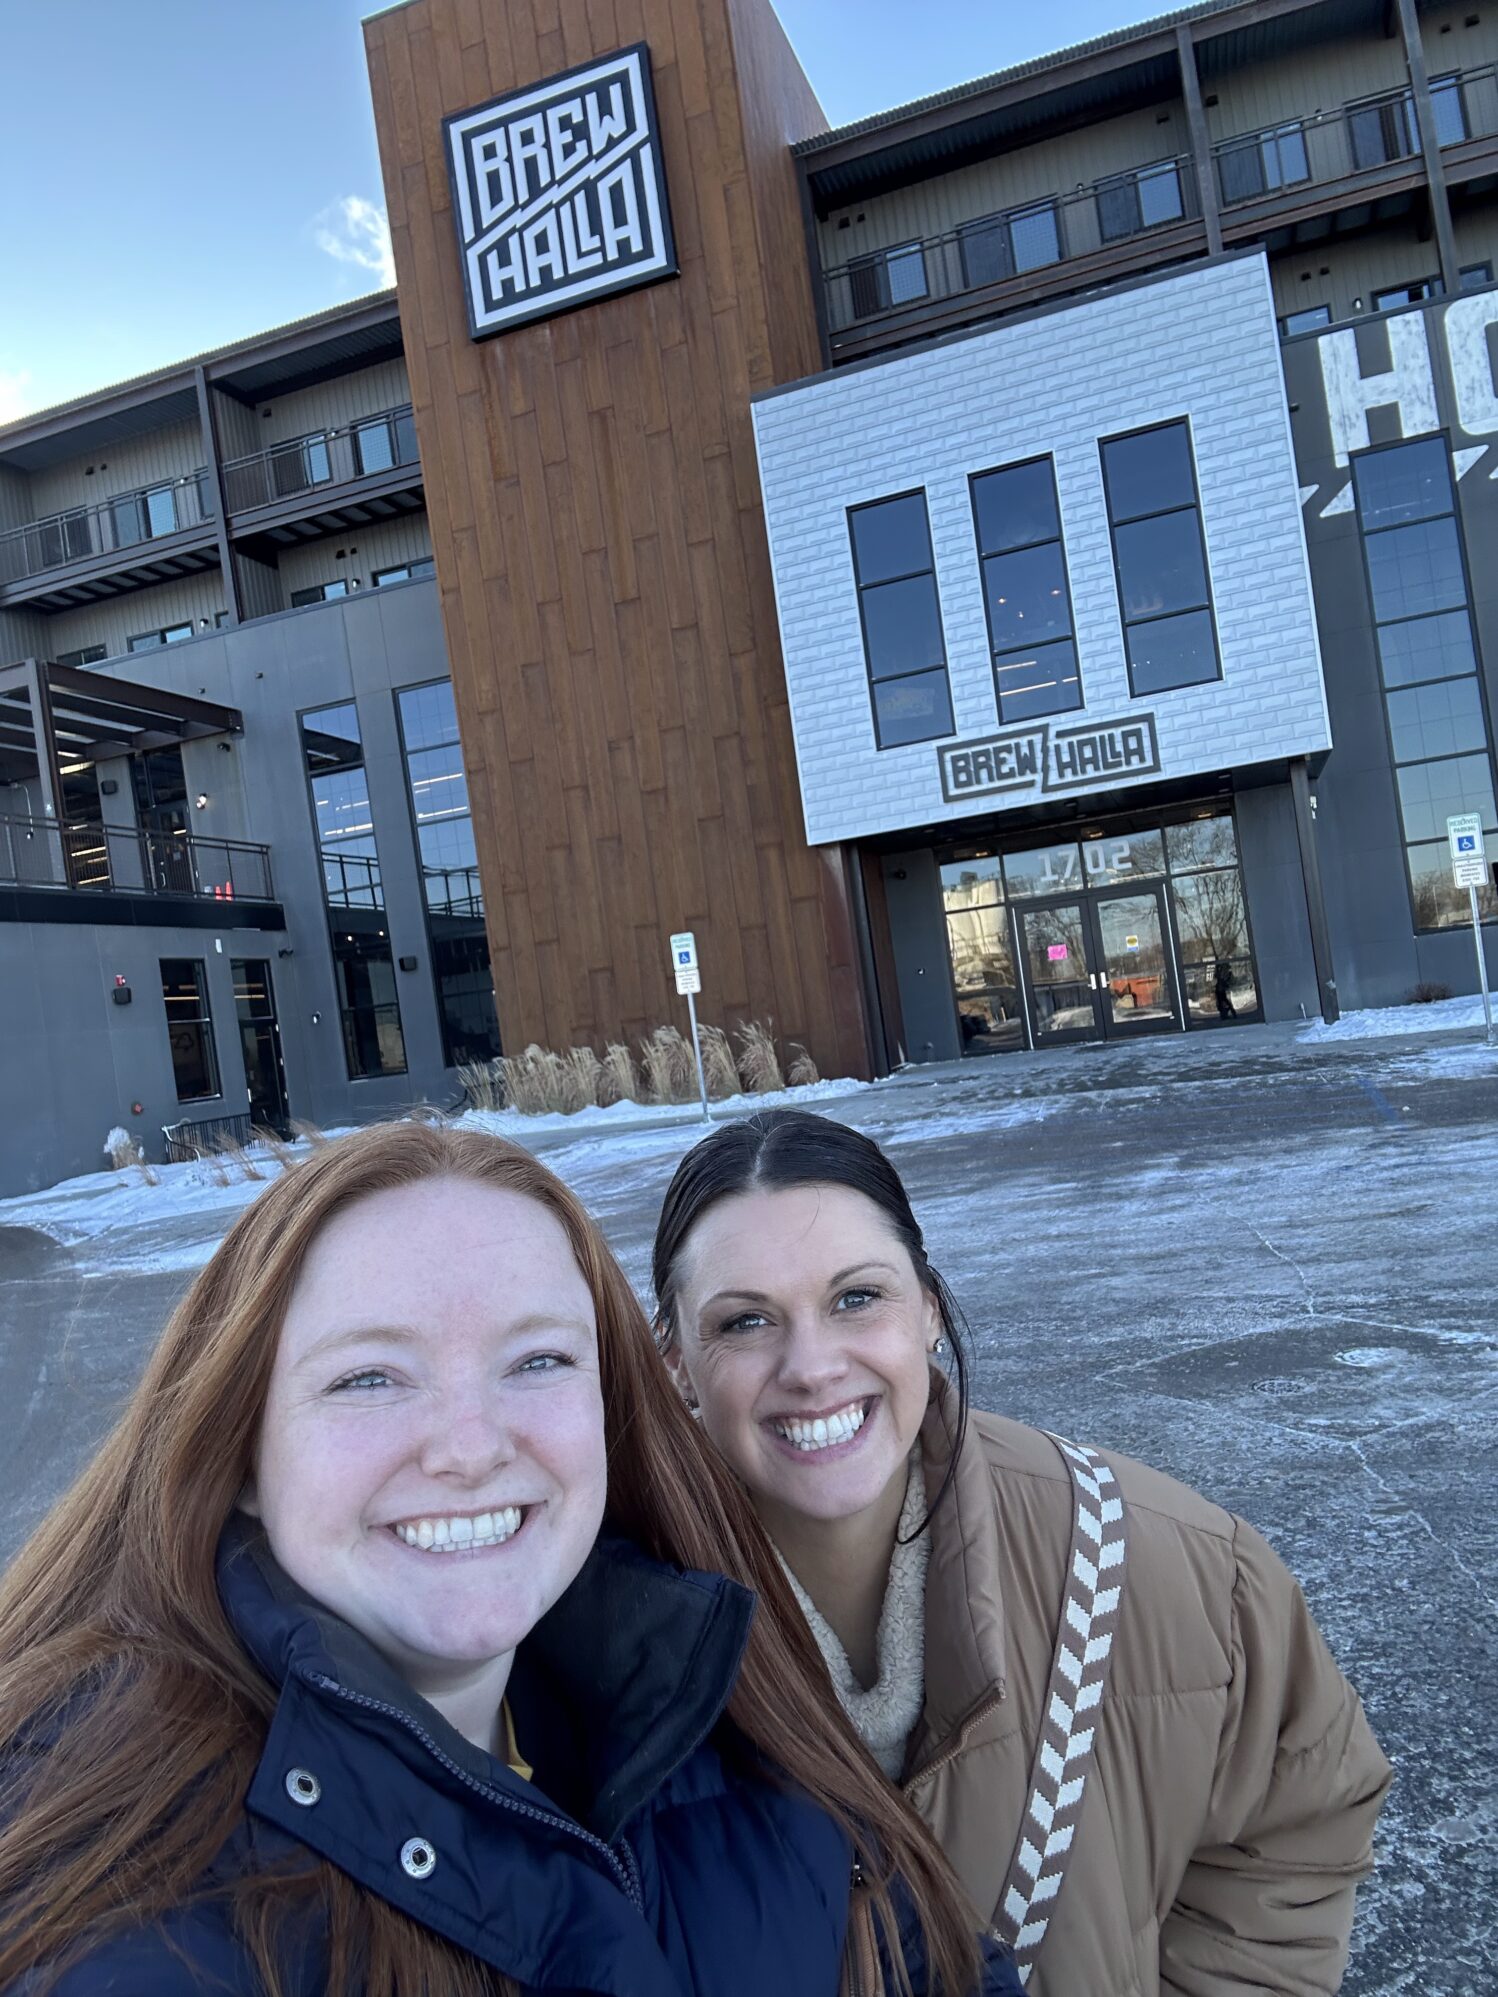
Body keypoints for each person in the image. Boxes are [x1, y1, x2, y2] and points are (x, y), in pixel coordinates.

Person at [0, 1122, 1020, 1997]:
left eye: (537, 1359)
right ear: (244, 1452)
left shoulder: (714, 1713)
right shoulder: (128, 1885)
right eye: (369, 1376)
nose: (472, 1443)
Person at [653, 1109, 1393, 1997]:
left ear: (927, 1309)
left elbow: (1302, 1813)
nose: (811, 1365)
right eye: (744, 1322)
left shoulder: (1165, 1566)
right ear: (676, 1362)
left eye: (857, 1297)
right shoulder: (599, 1635)